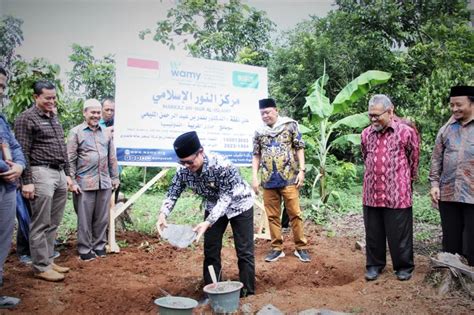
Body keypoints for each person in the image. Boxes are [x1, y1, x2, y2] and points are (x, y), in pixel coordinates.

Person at [156, 131, 255, 297]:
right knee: (211, 250)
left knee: (244, 251)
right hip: (213, 204)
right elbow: (173, 191)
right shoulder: (183, 170)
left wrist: (208, 222)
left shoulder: (223, 165)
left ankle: (248, 293)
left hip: (239, 204)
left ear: (200, 151)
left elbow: (226, 198)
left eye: (190, 161)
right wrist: (163, 213)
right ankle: (212, 292)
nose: (187, 166)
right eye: (183, 162)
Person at [14, 80, 72, 282]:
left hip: (59, 173)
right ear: (36, 97)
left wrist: (68, 174)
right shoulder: (26, 118)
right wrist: (27, 181)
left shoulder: (54, 117)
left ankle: (48, 260)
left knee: (53, 222)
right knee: (40, 222)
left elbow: (62, 148)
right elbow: (22, 151)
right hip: (40, 173)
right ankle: (40, 266)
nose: (52, 101)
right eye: (47, 98)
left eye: (54, 97)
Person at [361, 94, 419, 281]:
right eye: (371, 115)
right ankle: (374, 265)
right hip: (372, 192)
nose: (373, 119)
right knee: (373, 232)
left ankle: (403, 266)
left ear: (391, 111)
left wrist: (405, 181)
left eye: (377, 115)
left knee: (399, 233)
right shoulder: (365, 134)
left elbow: (413, 159)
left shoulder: (406, 132)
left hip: (398, 192)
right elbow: (365, 156)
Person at [252, 98, 310, 263]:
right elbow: (256, 154)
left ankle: (301, 248)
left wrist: (302, 171)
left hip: (289, 178)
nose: (265, 116)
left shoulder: (290, 126)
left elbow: (299, 147)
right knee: (272, 216)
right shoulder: (258, 132)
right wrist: (255, 177)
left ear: (276, 110)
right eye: (262, 113)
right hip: (268, 181)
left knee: (295, 214)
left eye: (268, 112)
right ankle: (277, 248)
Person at [67, 99, 120, 261]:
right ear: (85, 113)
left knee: (101, 218)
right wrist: (72, 182)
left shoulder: (105, 132)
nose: (96, 116)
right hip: (84, 183)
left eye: (98, 113)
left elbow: (112, 157)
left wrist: (115, 176)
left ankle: (99, 246)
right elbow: (70, 159)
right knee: (84, 219)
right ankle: (84, 248)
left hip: (104, 181)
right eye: (93, 112)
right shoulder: (76, 132)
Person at [429, 85, 474, 266]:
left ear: (472, 103)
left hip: (472, 195)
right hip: (448, 193)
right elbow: (436, 159)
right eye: (451, 105)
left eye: (459, 105)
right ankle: (449, 275)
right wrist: (434, 184)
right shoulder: (446, 129)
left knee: (471, 242)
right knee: (450, 240)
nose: (454, 109)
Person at [0, 66, 25, 308]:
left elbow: (15, 146)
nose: (0, 91)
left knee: (3, 239)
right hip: (3, 178)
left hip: (7, 188)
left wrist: (18, 166)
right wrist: (3, 167)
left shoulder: (1, 119)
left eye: (2, 87)